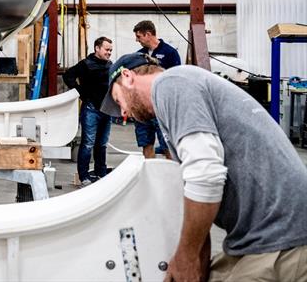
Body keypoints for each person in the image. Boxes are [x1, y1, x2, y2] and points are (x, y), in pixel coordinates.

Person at [102, 53, 307, 282]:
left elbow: (206, 175)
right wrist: (197, 258)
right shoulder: (179, 89)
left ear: (128, 77)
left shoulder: (171, 84)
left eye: (119, 100)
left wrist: (185, 257)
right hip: (261, 233)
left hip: (282, 235)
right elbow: (197, 187)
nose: (123, 113)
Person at [62, 36, 114, 187]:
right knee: (87, 144)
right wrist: (79, 91)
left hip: (106, 110)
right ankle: (84, 176)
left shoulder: (110, 65)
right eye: (106, 49)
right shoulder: (86, 64)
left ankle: (101, 173)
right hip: (91, 110)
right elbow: (68, 75)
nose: (109, 53)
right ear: (97, 48)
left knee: (102, 144)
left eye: (110, 50)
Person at [133, 20, 181, 159]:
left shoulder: (170, 53)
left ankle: (172, 178)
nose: (137, 40)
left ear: (148, 34)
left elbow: (176, 80)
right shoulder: (138, 55)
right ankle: (151, 178)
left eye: (139, 36)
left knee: (168, 146)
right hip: (143, 109)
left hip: (162, 108)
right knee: (146, 144)